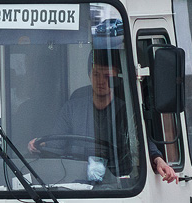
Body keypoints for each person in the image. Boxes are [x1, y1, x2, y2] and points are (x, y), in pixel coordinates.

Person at [30, 50, 179, 184]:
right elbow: (57, 144)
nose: (101, 81)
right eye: (96, 74)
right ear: (89, 75)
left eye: (107, 76)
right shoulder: (71, 109)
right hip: (76, 183)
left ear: (116, 78)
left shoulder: (126, 110)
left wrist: (159, 160)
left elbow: (142, 142)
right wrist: (38, 145)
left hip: (117, 185)